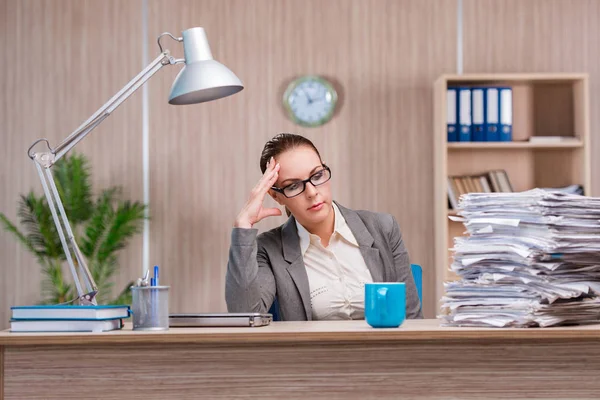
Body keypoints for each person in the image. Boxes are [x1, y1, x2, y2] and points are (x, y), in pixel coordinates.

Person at [225, 133, 423, 321]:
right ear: (276, 196)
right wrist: (243, 227)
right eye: (293, 186)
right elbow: (245, 315)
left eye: (317, 176)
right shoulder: (269, 249)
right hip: (313, 356)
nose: (311, 192)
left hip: (383, 355)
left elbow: (411, 317)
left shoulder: (383, 227)